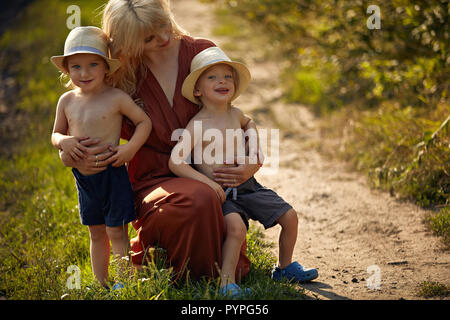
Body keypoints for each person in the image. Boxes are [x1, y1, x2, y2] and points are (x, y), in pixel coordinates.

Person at [59, 0, 255, 282]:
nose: (164, 38)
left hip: (210, 171)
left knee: (207, 197)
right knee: (196, 200)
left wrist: (251, 164)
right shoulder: (121, 76)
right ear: (127, 43)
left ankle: (206, 274)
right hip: (153, 178)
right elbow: (85, 125)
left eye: (163, 26)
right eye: (148, 37)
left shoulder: (200, 52)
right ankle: (197, 274)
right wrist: (70, 154)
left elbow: (238, 118)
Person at [169, 47, 318, 296]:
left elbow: (249, 122)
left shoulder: (235, 114)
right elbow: (176, 162)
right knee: (236, 229)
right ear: (198, 90)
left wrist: (253, 142)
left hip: (250, 187)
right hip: (224, 193)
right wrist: (207, 184)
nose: (222, 81)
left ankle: (284, 267)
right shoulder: (197, 125)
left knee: (290, 217)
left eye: (228, 77)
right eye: (212, 77)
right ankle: (226, 284)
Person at [50, 26, 152, 288]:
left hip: (112, 174)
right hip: (84, 180)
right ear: (67, 70)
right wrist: (65, 141)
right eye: (76, 67)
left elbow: (144, 123)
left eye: (93, 64)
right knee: (95, 232)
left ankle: (125, 281)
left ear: (106, 67)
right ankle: (102, 282)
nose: (84, 73)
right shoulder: (67, 101)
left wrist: (129, 150)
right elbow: (55, 135)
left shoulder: (116, 98)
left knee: (115, 230)